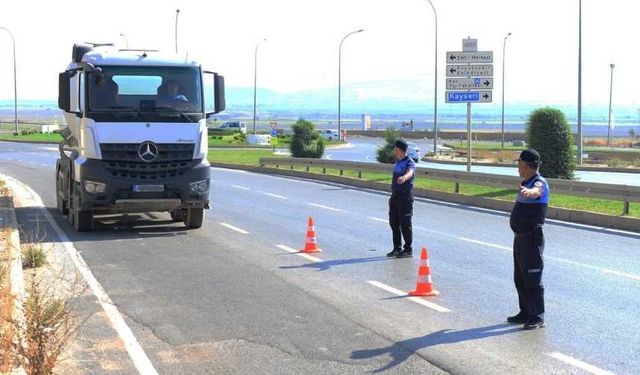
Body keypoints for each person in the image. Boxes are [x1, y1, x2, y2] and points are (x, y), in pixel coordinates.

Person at [507, 149, 550, 330]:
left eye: (519, 164)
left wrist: (529, 192)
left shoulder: (538, 183)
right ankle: (525, 311)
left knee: (532, 277)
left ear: (525, 165)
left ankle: (537, 316)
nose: (518, 168)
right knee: (520, 278)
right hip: (520, 238)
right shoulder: (527, 182)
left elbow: (537, 191)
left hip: (531, 239)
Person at [387, 139, 416, 258]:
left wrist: (404, 178)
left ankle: (408, 249)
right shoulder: (398, 162)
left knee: (405, 223)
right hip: (395, 196)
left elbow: (410, 172)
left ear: (399, 149)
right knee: (394, 222)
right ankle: (397, 248)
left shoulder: (409, 162)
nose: (394, 150)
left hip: (405, 197)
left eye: (395, 148)